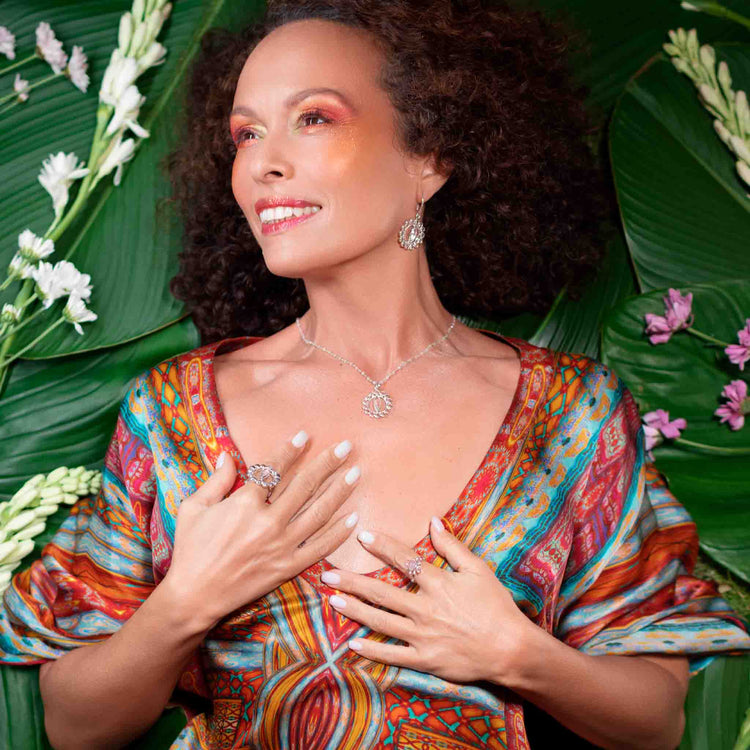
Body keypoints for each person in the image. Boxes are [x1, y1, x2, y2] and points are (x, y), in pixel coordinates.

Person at [1, 1, 749, 748]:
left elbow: (654, 722)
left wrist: (519, 655)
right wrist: (184, 604)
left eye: (314, 118)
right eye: (247, 133)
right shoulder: (171, 413)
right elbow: (74, 727)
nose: (263, 162)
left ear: (430, 155)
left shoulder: (573, 412)